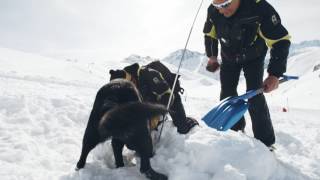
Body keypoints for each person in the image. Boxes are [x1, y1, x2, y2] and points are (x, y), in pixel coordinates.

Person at [203, 0, 290, 149]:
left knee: (254, 95)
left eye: (225, 5)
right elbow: (209, 34)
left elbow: (281, 40)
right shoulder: (213, 10)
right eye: (217, 6)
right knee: (227, 94)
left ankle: (265, 143)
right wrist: (212, 56)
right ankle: (234, 132)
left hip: (253, 57)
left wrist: (274, 74)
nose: (221, 11)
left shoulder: (259, 8)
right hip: (228, 56)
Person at [115, 61, 199, 134]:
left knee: (182, 128)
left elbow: (168, 96)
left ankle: (189, 121)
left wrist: (157, 114)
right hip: (153, 100)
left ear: (131, 77)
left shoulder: (149, 75)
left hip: (170, 95)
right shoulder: (128, 86)